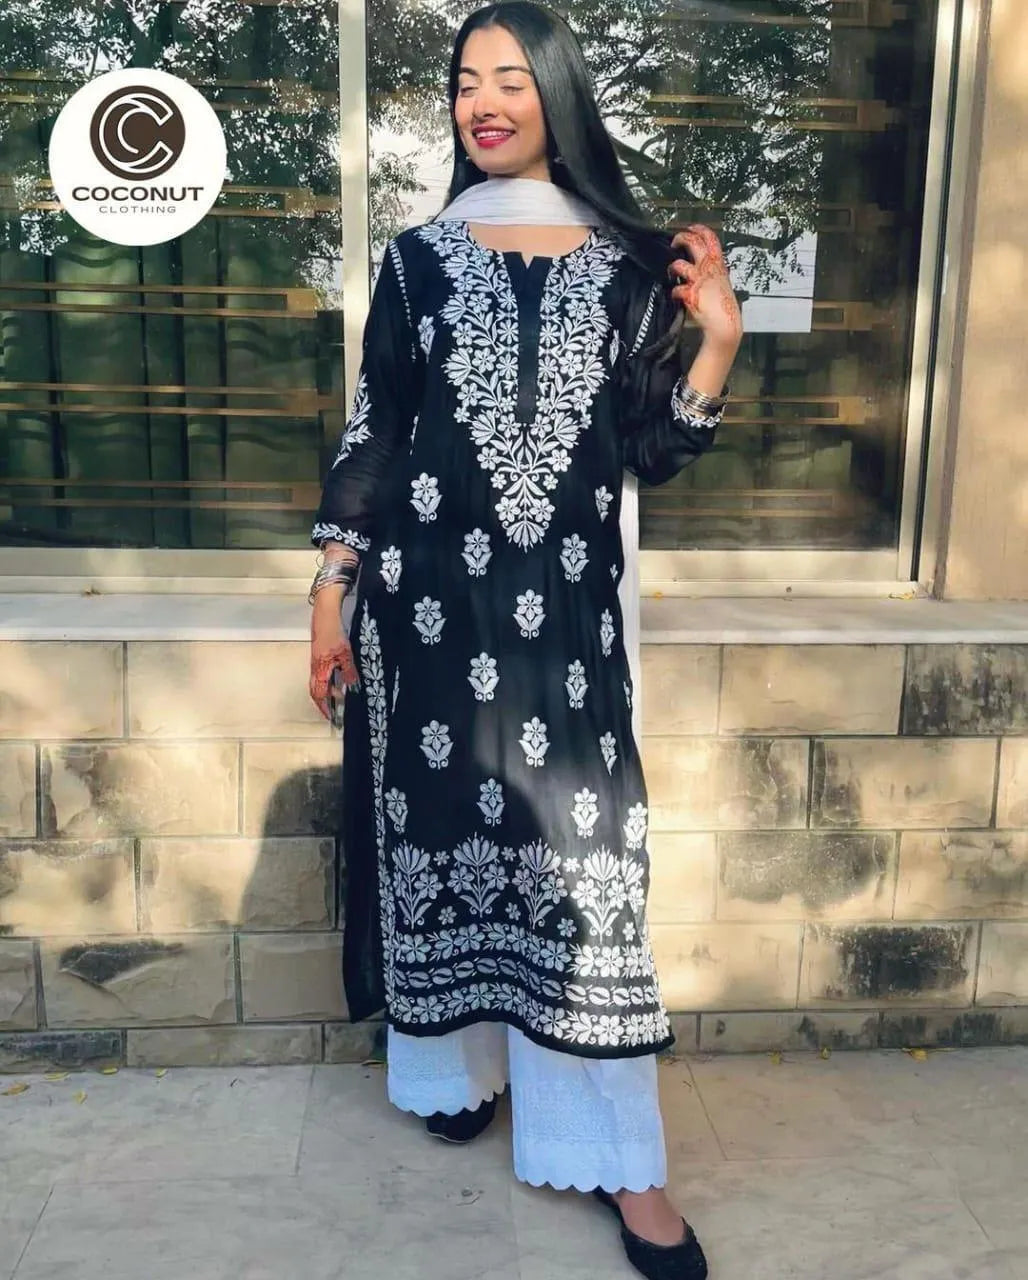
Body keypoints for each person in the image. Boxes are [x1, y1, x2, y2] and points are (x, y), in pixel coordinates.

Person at [308, 4, 741, 1275]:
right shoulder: (416, 259)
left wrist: (715, 342)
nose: (482, 102)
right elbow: (377, 430)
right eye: (463, 82)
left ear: (556, 92)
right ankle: (451, 1068)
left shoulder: (630, 262)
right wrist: (329, 590)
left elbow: (650, 446)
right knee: (441, 828)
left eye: (508, 78)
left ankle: (622, 1160)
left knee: (579, 864)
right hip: (426, 615)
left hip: (564, 628)